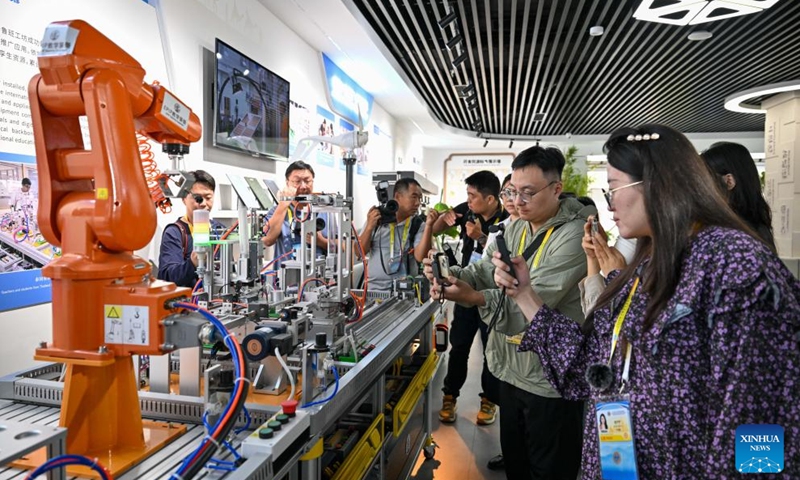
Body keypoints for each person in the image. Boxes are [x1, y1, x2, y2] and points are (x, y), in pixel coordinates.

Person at [491, 125, 800, 479]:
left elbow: (762, 419)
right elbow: (596, 365)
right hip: (623, 462)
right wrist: (525, 295)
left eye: (614, 188)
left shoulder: (735, 264)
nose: (610, 205)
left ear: (657, 185)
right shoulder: (652, 260)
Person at [426, 147, 594, 480]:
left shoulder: (575, 236)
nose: (517, 201)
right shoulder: (517, 227)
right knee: (517, 464)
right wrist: (457, 277)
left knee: (550, 469)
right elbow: (488, 268)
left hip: (550, 380)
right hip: (511, 369)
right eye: (512, 192)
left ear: (556, 189)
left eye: (527, 193)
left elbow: (533, 303)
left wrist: (473, 297)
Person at [431, 170, 508, 426]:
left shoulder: (507, 218)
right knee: (459, 347)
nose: (468, 200)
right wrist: (444, 218)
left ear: (490, 199)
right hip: (467, 286)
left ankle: (489, 401)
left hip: (493, 295)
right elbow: (438, 227)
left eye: (473, 196)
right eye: (467, 195)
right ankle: (449, 396)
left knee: (491, 350)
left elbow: (505, 256)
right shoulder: (467, 210)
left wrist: (481, 237)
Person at [358, 178, 438, 291]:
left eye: (420, 198)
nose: (418, 203)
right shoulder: (377, 219)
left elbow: (421, 257)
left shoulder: (417, 225)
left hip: (406, 291)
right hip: (374, 291)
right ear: (398, 196)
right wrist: (369, 227)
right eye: (414, 197)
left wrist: (429, 226)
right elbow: (358, 252)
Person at [701, 141, 776, 250]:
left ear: (729, 181)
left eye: (707, 179)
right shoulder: (757, 230)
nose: (703, 186)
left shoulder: (733, 236)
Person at [157, 170, 222, 288]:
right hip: (188, 304)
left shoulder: (219, 230)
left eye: (208, 197)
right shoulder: (174, 233)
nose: (203, 203)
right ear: (183, 199)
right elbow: (167, 277)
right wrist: (192, 264)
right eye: (197, 198)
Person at [262, 161, 330, 269]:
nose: (303, 186)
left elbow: (343, 246)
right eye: (297, 181)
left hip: (318, 279)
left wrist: (321, 241)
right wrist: (283, 204)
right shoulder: (277, 211)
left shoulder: (325, 211)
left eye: (307, 181)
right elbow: (267, 240)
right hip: (285, 280)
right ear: (287, 183)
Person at [483, 174, 517, 259]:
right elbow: (486, 260)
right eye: (506, 193)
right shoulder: (497, 229)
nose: (509, 199)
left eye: (514, 192)